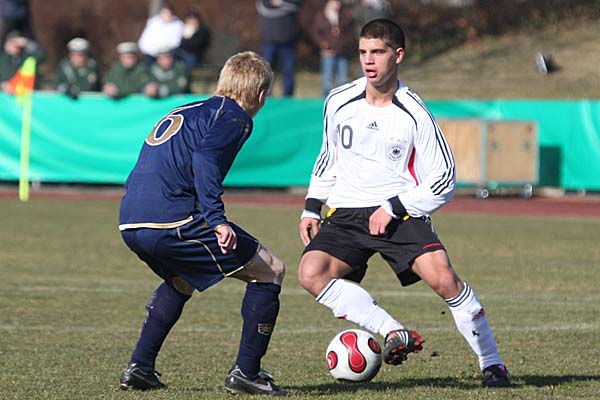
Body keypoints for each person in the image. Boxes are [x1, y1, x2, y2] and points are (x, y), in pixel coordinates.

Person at [297, 19, 511, 388]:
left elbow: (444, 178)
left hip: (399, 213)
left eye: (377, 52)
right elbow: (327, 157)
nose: (368, 60)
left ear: (397, 55)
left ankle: (492, 364)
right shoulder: (338, 101)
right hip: (345, 213)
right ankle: (394, 331)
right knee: (310, 273)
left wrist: (394, 207)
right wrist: (312, 206)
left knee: (445, 280)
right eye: (363, 52)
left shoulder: (414, 113)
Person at [117, 51, 288, 396]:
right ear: (260, 93)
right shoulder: (235, 116)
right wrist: (216, 220)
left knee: (181, 279)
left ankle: (140, 367)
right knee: (270, 270)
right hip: (172, 219)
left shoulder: (187, 110)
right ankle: (247, 373)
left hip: (130, 219)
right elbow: (206, 159)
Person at [256, 0, 302, 97]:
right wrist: (279, 5)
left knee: (288, 72)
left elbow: (296, 5)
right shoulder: (264, 3)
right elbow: (263, 7)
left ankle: (288, 97)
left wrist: (280, 3)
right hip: (269, 42)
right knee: (265, 71)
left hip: (288, 43)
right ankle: (265, 96)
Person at [310, 0, 355, 97]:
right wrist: (322, 44)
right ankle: (325, 101)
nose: (336, 5)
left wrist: (345, 44)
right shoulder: (321, 17)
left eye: (337, 3)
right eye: (334, 2)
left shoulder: (344, 17)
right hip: (328, 53)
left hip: (341, 52)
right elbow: (315, 33)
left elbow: (349, 33)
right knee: (327, 81)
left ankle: (342, 101)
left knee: (342, 80)